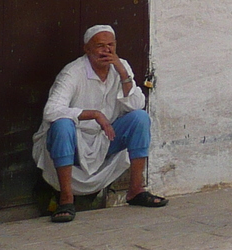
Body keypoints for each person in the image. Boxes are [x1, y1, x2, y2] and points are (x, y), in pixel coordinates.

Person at [33, 25, 166, 222]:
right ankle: (66, 199)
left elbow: (137, 104)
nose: (106, 50)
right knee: (61, 125)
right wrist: (93, 114)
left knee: (140, 118)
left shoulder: (121, 67)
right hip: (75, 140)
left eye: (110, 45)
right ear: (87, 49)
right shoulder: (72, 72)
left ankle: (136, 190)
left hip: (105, 138)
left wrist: (123, 73)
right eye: (100, 46)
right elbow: (50, 111)